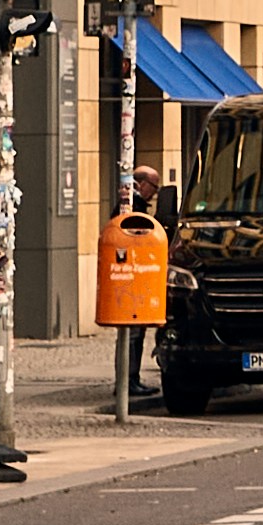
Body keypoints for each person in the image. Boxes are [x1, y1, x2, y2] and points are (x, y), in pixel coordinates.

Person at [97, 178, 173, 416]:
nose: (155, 193)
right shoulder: (131, 207)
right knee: (131, 335)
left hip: (133, 279)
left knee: (134, 335)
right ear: (142, 184)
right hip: (132, 279)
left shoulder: (129, 204)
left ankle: (131, 380)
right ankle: (128, 381)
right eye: (154, 186)